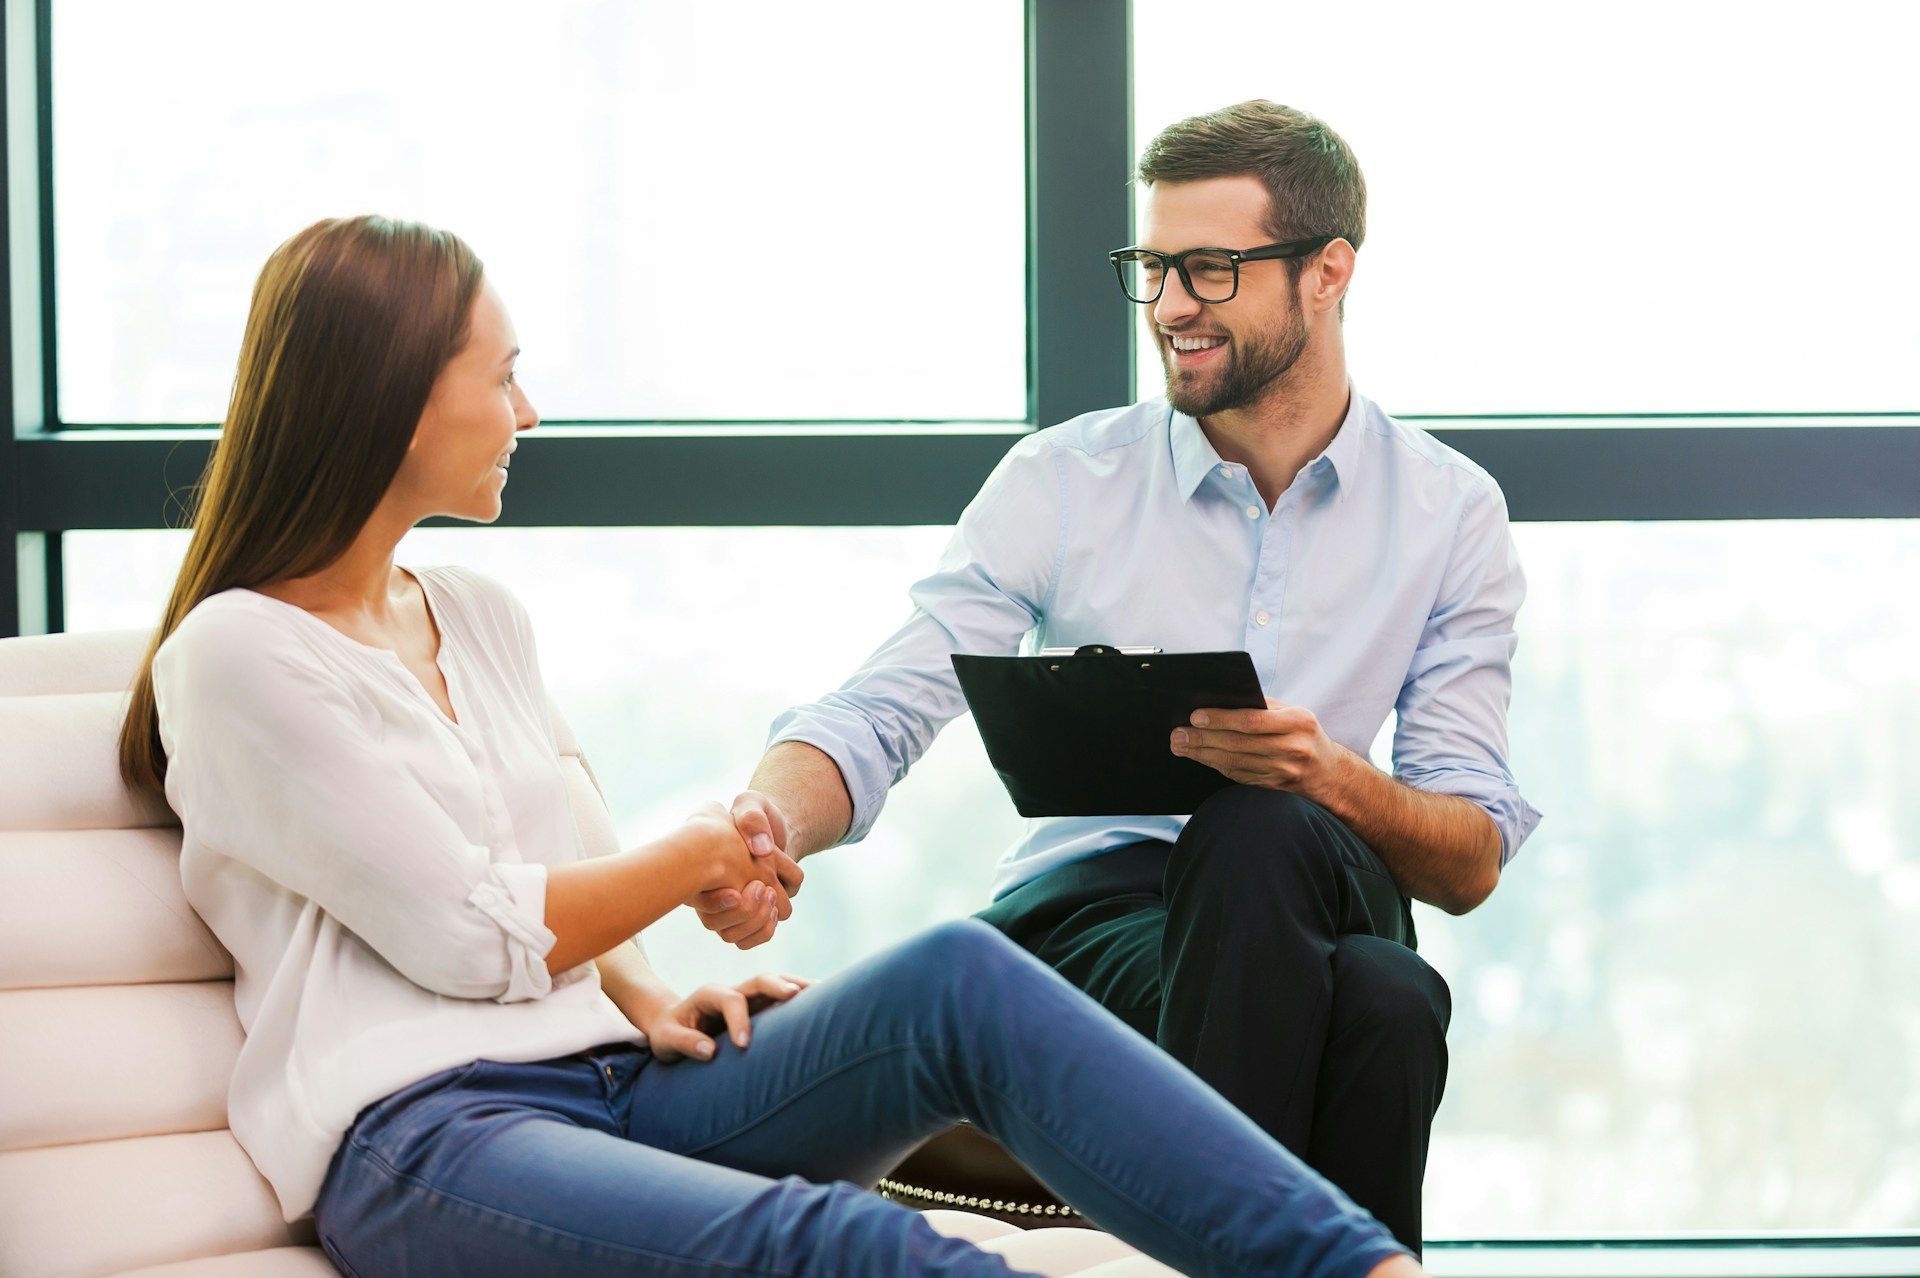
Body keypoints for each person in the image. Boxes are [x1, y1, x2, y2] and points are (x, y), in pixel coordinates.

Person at [115, 213, 1425, 1278]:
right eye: (502, 374)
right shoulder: (237, 656)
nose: (530, 411)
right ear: (399, 398)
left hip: (622, 1081)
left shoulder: (477, 614)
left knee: (960, 977)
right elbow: (470, 929)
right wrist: (698, 852)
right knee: (844, 1244)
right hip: (428, 1135)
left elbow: (562, 866)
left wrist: (648, 992)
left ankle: (1358, 1272)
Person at [708, 100, 1542, 1253]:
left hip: (1323, 887)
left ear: (1327, 273)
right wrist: (764, 827)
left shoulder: (1451, 514)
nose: (1168, 308)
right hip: (1089, 931)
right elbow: (887, 704)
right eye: (1152, 269)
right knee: (1389, 1006)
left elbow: (1470, 861)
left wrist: (1327, 775)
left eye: (1208, 270)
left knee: (1269, 826)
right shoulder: (1065, 481)